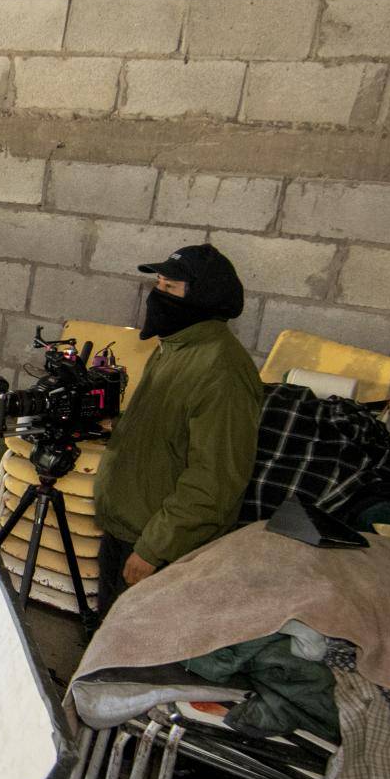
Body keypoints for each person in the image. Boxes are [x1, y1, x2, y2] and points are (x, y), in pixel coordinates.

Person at [93, 243, 264, 614]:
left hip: (160, 549)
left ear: (203, 299)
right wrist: (118, 427)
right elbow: (169, 431)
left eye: (170, 288)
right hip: (127, 530)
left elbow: (214, 480)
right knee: (102, 642)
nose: (159, 295)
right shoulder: (175, 348)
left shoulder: (222, 370)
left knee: (130, 658)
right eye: (158, 284)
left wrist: (154, 548)